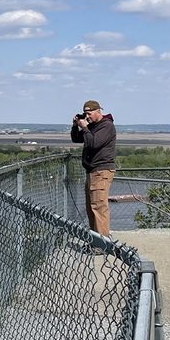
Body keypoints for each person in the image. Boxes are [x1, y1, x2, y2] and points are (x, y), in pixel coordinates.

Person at [70, 99, 116, 237]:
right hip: (92, 171)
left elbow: (93, 143)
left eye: (89, 113)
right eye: (85, 114)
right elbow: (77, 139)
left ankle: (102, 243)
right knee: (91, 207)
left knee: (99, 207)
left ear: (98, 111)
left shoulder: (106, 126)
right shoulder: (93, 126)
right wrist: (75, 126)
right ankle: (95, 240)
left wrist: (85, 128)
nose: (87, 116)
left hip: (101, 170)